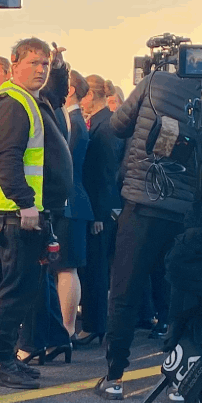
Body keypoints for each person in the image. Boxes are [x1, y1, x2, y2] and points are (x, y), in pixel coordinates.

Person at [95, 41, 202, 401]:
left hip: (142, 206)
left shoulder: (155, 82)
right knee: (182, 297)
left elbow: (116, 126)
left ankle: (114, 376)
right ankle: (183, 381)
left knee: (125, 292)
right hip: (187, 217)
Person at [0, 37, 71, 388]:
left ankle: (8, 359)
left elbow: (57, 91)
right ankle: (1, 362)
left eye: (44, 64)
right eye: (33, 62)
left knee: (27, 290)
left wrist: (61, 67)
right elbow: (6, 160)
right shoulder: (13, 102)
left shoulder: (33, 99)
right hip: (19, 216)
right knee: (14, 291)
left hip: (33, 214)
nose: (40, 69)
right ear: (14, 63)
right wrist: (25, 203)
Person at [77, 75, 120, 344]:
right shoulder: (101, 122)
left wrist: (99, 215)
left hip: (100, 208)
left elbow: (105, 173)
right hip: (98, 204)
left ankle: (94, 324)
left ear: (90, 96)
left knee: (96, 268)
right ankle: (95, 322)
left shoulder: (105, 126)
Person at [53, 70, 93, 349]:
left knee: (67, 268)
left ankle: (67, 330)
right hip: (73, 203)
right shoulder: (75, 120)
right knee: (64, 268)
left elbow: (64, 163)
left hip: (71, 204)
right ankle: (64, 328)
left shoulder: (73, 122)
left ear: (69, 90)